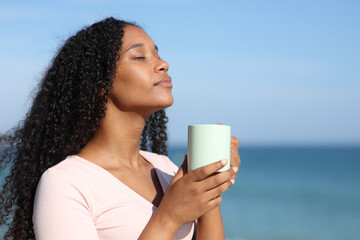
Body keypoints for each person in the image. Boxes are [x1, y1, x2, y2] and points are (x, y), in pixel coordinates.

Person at [0, 17, 241, 240]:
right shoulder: (65, 183)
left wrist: (209, 183)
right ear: (99, 85)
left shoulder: (164, 168)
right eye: (139, 57)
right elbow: (169, 218)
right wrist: (169, 217)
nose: (163, 64)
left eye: (158, 54)